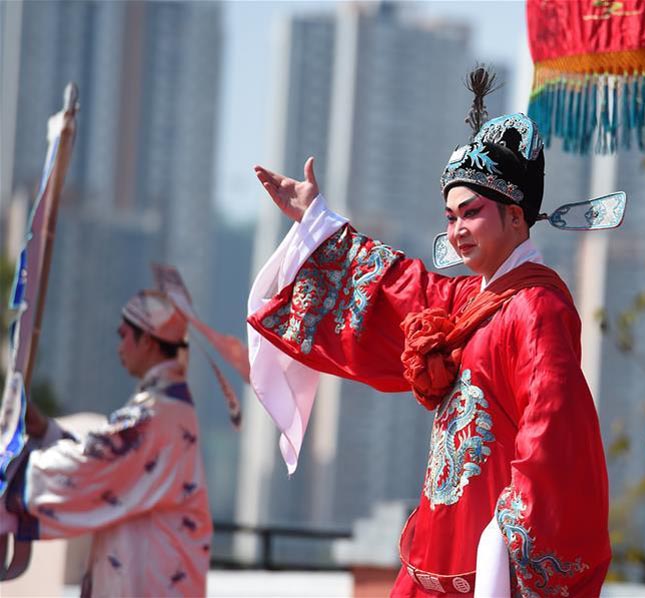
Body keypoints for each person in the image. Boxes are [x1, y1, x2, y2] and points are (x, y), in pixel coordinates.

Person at [246, 71, 611, 596]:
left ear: (515, 216)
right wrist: (317, 222)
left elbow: (551, 429)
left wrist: (509, 539)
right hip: (438, 553)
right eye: (451, 216)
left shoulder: (537, 307)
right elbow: (398, 287)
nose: (457, 230)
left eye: (472, 213)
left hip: (493, 558)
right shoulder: (468, 301)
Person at [3, 290, 212, 596]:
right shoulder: (166, 409)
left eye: (124, 335)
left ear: (148, 341)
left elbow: (94, 463)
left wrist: (9, 467)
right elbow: (108, 460)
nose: (119, 347)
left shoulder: (156, 415)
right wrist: (46, 431)